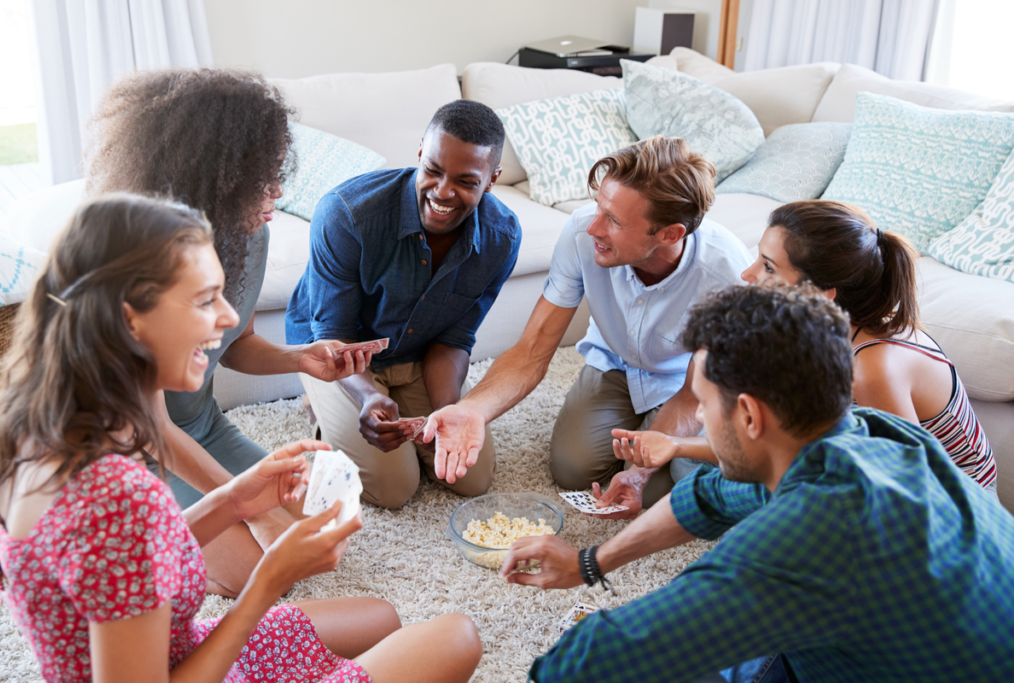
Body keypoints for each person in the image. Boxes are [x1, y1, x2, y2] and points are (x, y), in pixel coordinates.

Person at [0, 195, 482, 683]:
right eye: (205, 300)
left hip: (171, 651)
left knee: (380, 618)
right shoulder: (118, 495)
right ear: (130, 319)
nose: (229, 319)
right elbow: (125, 537)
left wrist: (234, 500)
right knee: (457, 637)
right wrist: (268, 584)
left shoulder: (29, 428)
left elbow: (124, 560)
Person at [499, 284, 1014, 683]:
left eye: (702, 404)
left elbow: (594, 658)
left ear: (748, 415)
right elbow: (707, 496)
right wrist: (590, 562)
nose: (697, 417)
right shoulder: (875, 434)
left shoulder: (802, 542)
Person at [83, 68, 373, 596]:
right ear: (213, 176)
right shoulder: (137, 270)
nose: (278, 190)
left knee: (324, 516)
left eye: (276, 169)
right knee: (256, 570)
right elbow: (149, 424)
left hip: (203, 427)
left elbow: (234, 344)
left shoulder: (248, 236)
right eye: (260, 175)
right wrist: (249, 508)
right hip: (138, 450)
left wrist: (300, 358)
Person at [423, 136, 752, 512]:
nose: (593, 227)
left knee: (681, 481)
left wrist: (639, 472)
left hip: (684, 382)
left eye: (613, 220)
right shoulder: (582, 233)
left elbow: (694, 394)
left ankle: (660, 450)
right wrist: (473, 410)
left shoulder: (726, 274)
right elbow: (532, 350)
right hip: (614, 364)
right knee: (573, 469)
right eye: (599, 207)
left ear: (670, 234)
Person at [614, 200, 999, 501]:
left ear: (818, 293)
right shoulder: (815, 328)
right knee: (699, 473)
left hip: (951, 508)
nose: (747, 275)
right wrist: (674, 445)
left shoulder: (873, 366)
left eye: (767, 267)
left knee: (732, 490)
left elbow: (906, 487)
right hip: (866, 470)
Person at [285, 100, 521, 509]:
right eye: (432, 170)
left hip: (417, 351)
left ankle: (379, 416)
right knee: (396, 489)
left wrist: (451, 411)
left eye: (466, 181)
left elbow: (454, 338)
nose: (443, 192)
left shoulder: (502, 238)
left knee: (471, 478)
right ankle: (323, 408)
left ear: (493, 179)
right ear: (419, 153)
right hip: (337, 353)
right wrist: (368, 397)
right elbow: (333, 336)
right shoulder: (347, 214)